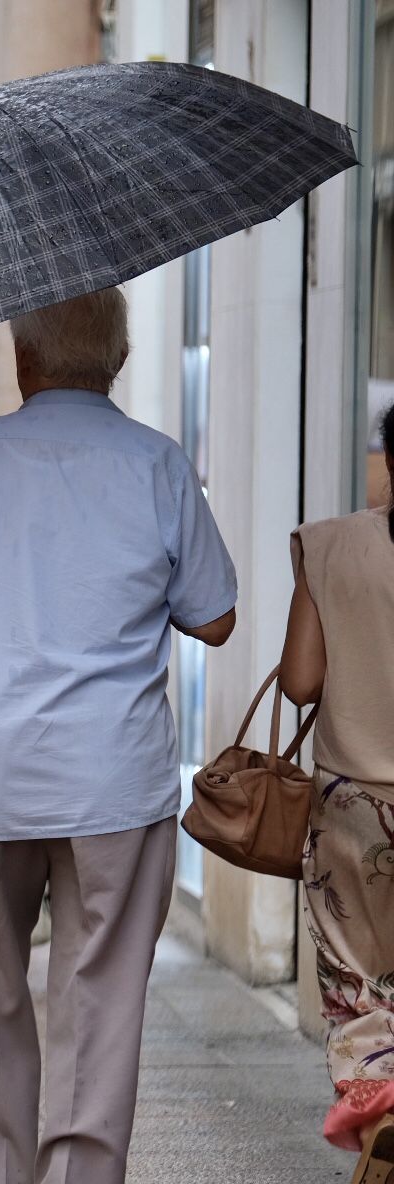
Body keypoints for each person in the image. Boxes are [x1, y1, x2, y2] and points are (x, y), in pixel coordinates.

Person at [0, 287, 238, 1184]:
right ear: (116, 360)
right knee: (101, 998)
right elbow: (218, 616)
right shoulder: (157, 464)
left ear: (21, 358)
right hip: (113, 774)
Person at [279, 408, 394, 1184]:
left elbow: (299, 682)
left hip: (355, 801)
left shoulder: (331, 543)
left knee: (363, 983)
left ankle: (383, 1116)